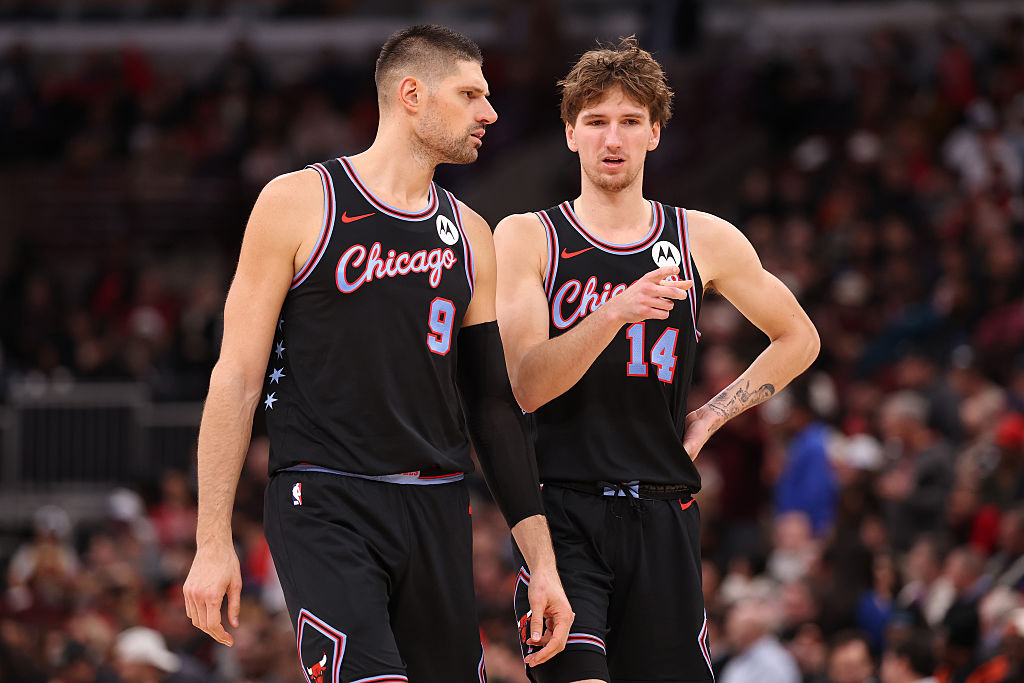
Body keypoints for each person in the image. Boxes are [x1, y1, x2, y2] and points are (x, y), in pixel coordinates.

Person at [182, 25, 572, 683]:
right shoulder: (300, 202)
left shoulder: (470, 234)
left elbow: (492, 409)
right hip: (327, 498)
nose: (490, 112)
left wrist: (543, 563)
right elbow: (238, 374)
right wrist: (211, 538)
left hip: (440, 508)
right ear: (412, 94)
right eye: (471, 93)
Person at [494, 37, 819, 683]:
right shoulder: (530, 235)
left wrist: (712, 416)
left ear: (656, 133)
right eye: (595, 121)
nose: (612, 138)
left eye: (630, 121)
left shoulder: (702, 236)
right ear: (569, 134)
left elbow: (799, 337)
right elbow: (526, 385)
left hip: (664, 509)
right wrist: (614, 312)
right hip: (563, 511)